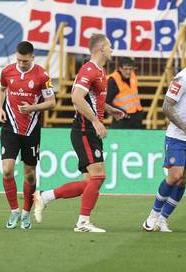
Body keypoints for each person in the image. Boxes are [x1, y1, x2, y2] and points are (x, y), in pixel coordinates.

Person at [33, 34, 124, 232]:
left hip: (90, 130)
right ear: (101, 49)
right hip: (84, 130)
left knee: (88, 183)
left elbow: (93, 99)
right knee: (98, 177)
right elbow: (76, 97)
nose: (111, 50)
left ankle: (44, 196)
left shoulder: (100, 71)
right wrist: (95, 121)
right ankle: (83, 223)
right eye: (109, 47)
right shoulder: (89, 70)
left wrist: (109, 109)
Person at [141, 41, 186, 232]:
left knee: (183, 180)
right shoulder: (181, 78)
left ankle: (163, 219)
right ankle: (153, 215)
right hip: (178, 137)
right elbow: (166, 106)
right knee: (174, 176)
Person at [0, 41, 56, 229]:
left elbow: (51, 102)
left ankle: (26, 213)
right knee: (7, 169)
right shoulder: (7, 72)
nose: (21, 63)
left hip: (31, 130)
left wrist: (32, 107)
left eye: (24, 60)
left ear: (32, 57)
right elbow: (1, 89)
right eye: (18, 60)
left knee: (30, 175)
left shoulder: (42, 75)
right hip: (10, 127)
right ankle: (14, 211)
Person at [107, 57, 144, 129]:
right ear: (120, 68)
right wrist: (120, 112)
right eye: (126, 69)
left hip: (136, 116)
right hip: (122, 118)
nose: (128, 72)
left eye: (130, 69)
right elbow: (106, 103)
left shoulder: (132, 76)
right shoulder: (113, 81)